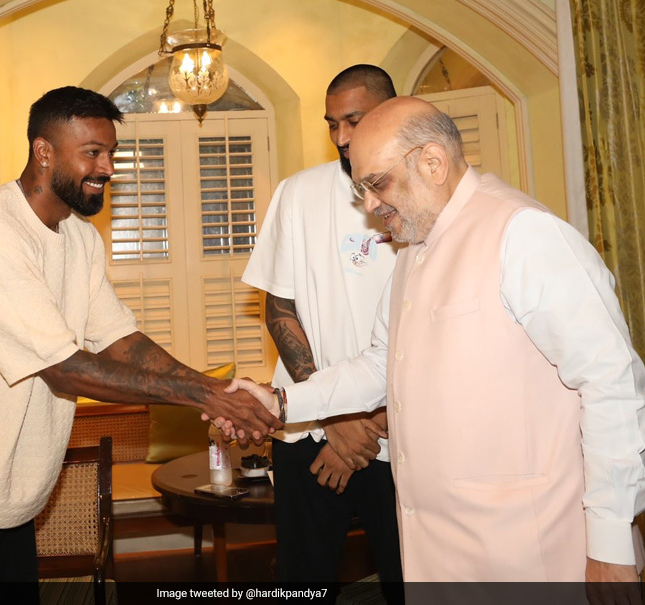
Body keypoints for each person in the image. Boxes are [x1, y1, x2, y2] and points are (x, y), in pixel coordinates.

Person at [227, 97, 645, 594]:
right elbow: (381, 364)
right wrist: (281, 402)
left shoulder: (523, 233)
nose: (369, 205)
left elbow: (611, 383)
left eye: (377, 184)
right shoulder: (413, 249)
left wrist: (611, 543)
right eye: (361, 189)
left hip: (531, 550)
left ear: (432, 162)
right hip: (440, 553)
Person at [0, 86, 281, 586]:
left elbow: (121, 340)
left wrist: (216, 389)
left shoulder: (80, 237)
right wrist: (207, 396)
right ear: (43, 151)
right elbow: (62, 367)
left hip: (8, 499)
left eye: (111, 153)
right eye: (92, 152)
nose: (107, 168)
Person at [241, 65, 403, 592]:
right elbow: (278, 308)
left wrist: (368, 419)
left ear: (390, 113)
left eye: (353, 120)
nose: (340, 137)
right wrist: (335, 415)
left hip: (396, 429)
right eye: (332, 124)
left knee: (411, 580)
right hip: (309, 430)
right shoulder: (298, 193)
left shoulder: (423, 196)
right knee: (302, 583)